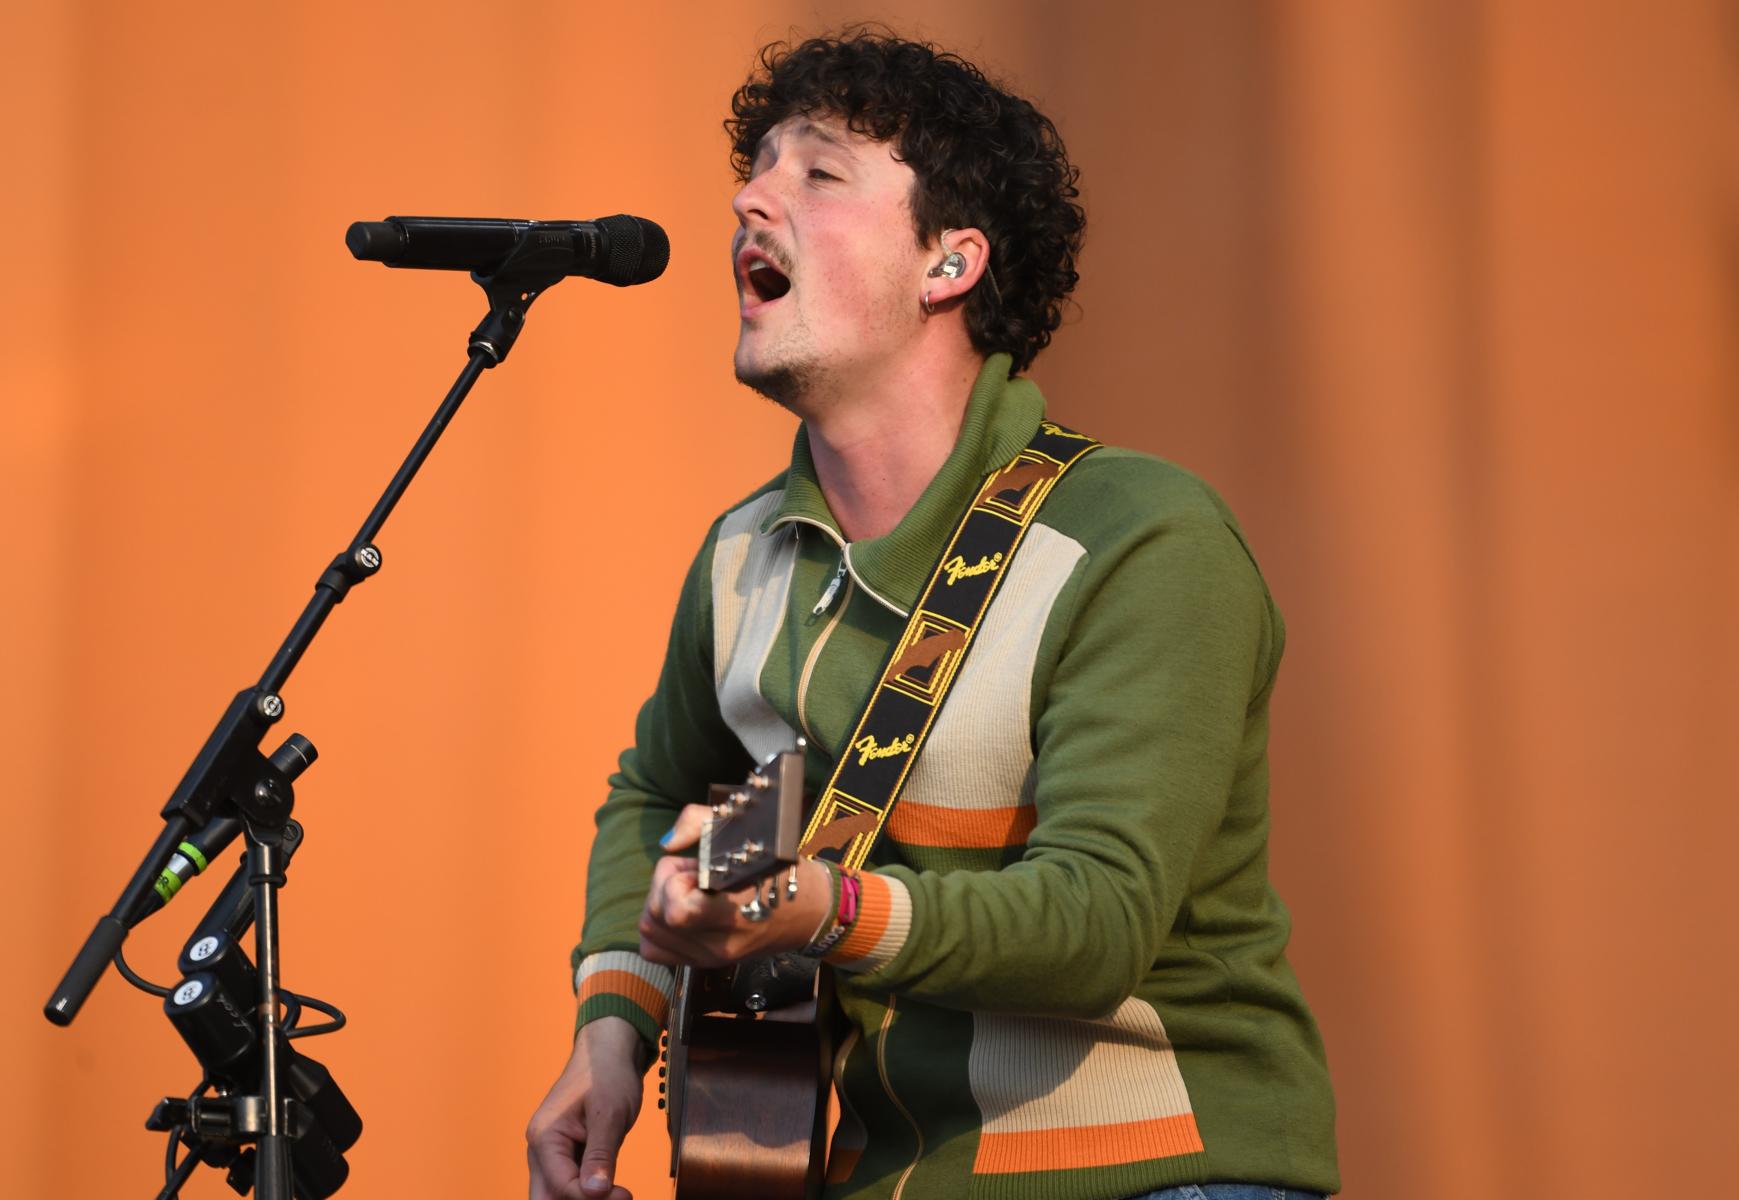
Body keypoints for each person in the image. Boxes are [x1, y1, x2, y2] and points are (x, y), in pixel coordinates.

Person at [526, 29, 1339, 1200]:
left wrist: (818, 908)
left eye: (818, 172)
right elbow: (656, 791)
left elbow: (1097, 922)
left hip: (1153, 1174)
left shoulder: (1138, 538)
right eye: (756, 169)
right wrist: (615, 1024)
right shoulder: (742, 557)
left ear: (947, 264)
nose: (751, 198)